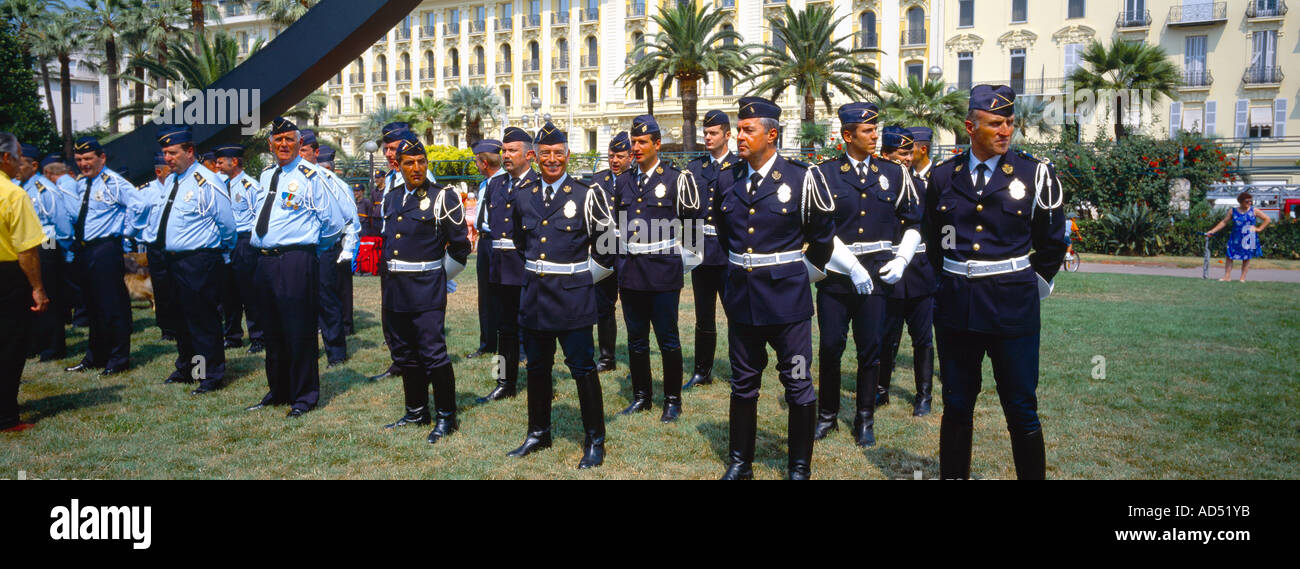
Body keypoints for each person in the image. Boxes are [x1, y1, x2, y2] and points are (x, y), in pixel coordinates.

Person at [923, 85, 1066, 479]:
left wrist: (1024, 286)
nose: (1006, 131)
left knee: (1021, 407)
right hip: (956, 309)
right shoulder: (942, 177)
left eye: (1009, 123)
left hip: (1012, 310)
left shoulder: (1034, 174)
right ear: (971, 126)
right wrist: (947, 285)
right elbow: (933, 242)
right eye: (995, 124)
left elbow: (1052, 244)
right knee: (957, 406)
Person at [712, 97, 835, 480]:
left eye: (749, 130)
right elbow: (723, 233)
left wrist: (800, 279)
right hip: (744, 305)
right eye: (739, 129)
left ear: (772, 134)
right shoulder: (727, 178)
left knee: (797, 383)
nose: (740, 136)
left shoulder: (801, 179)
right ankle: (740, 463)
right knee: (743, 385)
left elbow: (823, 241)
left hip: (788, 309)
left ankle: (799, 468)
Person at [504, 121, 615, 469]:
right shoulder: (522, 195)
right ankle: (538, 433)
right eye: (546, 154)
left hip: (573, 299)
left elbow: (608, 246)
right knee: (537, 368)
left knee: (582, 368)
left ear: (568, 155)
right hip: (536, 297)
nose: (553, 160)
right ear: (535, 158)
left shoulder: (586, 194)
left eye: (559, 154)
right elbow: (522, 244)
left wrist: (581, 280)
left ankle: (595, 441)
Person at [812, 108, 921, 448]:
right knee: (831, 347)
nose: (876, 136)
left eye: (876, 130)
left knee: (871, 348)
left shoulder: (894, 174)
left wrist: (903, 257)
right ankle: (827, 415)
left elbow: (915, 222)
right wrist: (850, 266)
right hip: (836, 276)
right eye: (868, 130)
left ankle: (864, 418)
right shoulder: (825, 174)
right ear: (847, 136)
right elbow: (818, 231)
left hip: (877, 274)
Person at [245, 117, 347, 418]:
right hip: (264, 259)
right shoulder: (266, 176)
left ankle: (304, 396)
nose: (284, 145)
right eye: (278, 141)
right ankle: (278, 391)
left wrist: (311, 249)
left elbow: (333, 224)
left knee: (299, 329)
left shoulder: (312, 177)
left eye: (290, 140)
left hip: (295, 260)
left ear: (300, 144)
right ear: (270, 145)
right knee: (273, 331)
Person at [131, 125, 237, 394]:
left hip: (198, 261)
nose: (167, 158)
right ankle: (186, 367)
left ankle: (208, 374)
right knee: (179, 318)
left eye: (172, 153)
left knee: (201, 319)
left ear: (190, 152)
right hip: (170, 261)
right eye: (164, 153)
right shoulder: (174, 181)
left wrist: (220, 252)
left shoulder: (207, 181)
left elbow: (227, 224)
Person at [379, 137, 471, 443]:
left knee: (433, 353)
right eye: (409, 163)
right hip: (395, 289)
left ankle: (447, 417)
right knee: (404, 352)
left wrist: (439, 279)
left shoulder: (442, 197)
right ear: (398, 165)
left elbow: (460, 248)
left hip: (426, 288)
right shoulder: (390, 198)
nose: (416, 168)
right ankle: (416, 410)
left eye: (421, 162)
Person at [613, 114, 701, 422]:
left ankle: (673, 400)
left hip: (663, 272)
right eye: (633, 142)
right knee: (636, 339)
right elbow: (617, 226)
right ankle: (642, 397)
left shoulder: (675, 179)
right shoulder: (623, 180)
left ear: (657, 144)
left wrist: (679, 263)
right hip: (631, 272)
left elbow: (692, 229)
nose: (636, 147)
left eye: (642, 142)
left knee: (667, 339)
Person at [876, 126, 937, 417]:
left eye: (910, 153)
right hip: (889, 272)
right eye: (901, 154)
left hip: (920, 272)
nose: (907, 159)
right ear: (885, 155)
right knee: (886, 337)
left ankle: (924, 395)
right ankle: (880, 389)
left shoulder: (925, 187)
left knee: (923, 338)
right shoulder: (877, 187)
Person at [66, 137, 139, 376]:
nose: (83, 164)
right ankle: (94, 356)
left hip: (105, 248)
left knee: (112, 305)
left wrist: (125, 232)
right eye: (78, 160)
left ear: (102, 157)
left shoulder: (114, 183)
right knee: (92, 306)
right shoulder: (81, 183)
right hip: (85, 249)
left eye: (88, 158)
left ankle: (118, 358)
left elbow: (138, 205)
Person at [475, 128, 537, 403]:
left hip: (527, 267)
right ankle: (503, 381)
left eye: (513, 150)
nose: (507, 155)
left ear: (528, 154)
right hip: (500, 267)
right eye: (504, 150)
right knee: (503, 330)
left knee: (535, 329)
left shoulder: (538, 183)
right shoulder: (495, 185)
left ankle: (538, 378)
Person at [0, 132, 51, 432]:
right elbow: (27, 250)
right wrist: (38, 287)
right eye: (18, 156)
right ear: (6, 158)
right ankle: (6, 417)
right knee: (9, 345)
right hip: (7, 277)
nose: (21, 163)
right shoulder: (13, 194)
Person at [684, 110, 738, 389]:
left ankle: (740, 370)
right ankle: (702, 371)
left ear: (728, 135)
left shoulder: (740, 167)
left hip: (729, 253)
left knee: (735, 315)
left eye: (713, 133)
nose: (707, 137)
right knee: (704, 315)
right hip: (702, 252)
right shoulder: (695, 169)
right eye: (705, 133)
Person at [298, 130, 360, 365]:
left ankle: (335, 352)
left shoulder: (333, 182)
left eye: (304, 150)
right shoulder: (286, 179)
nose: (300, 154)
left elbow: (350, 219)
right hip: (297, 250)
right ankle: (306, 351)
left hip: (323, 248)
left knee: (327, 301)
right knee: (300, 302)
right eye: (298, 149)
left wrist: (346, 250)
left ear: (315, 152)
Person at [214, 144, 265, 353]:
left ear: (233, 162)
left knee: (249, 292)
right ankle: (232, 335)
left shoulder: (249, 185)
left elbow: (258, 216)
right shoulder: (220, 184)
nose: (216, 166)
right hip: (225, 243)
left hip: (244, 242)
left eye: (220, 162)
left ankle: (258, 337)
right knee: (228, 292)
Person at [23, 150, 73, 362]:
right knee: (30, 298)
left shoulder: (44, 189)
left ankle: (53, 347)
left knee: (49, 296)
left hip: (46, 245)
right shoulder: (21, 187)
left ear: (34, 166)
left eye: (21, 163)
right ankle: (35, 343)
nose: (17, 167)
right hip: (28, 247)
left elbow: (62, 222)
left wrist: (58, 246)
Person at [589, 131, 631, 373]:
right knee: (603, 306)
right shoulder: (597, 180)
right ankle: (607, 358)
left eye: (621, 156)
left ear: (630, 157)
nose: (615, 161)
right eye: (611, 156)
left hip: (628, 251)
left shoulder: (636, 180)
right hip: (603, 250)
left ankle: (638, 349)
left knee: (633, 306)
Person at [468, 138, 505, 362]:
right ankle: (488, 343)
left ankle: (511, 345)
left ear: (483, 162)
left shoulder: (503, 182)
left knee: (504, 296)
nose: (475, 165)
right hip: (484, 242)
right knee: (486, 296)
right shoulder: (484, 184)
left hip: (499, 243)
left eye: (476, 161)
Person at [317, 145, 356, 336]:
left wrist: (348, 246)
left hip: (341, 239)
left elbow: (352, 219)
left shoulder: (342, 186)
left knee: (342, 286)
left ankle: (346, 324)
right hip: (321, 241)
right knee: (325, 286)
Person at [1206, 192, 1271, 282]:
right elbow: (1224, 222)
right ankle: (1227, 277)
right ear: (1240, 202)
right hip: (1235, 237)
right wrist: (1212, 231)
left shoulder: (1254, 210)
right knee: (1229, 256)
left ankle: (1242, 278)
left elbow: (1267, 219)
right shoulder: (1233, 211)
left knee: (1246, 258)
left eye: (1250, 201)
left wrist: (1259, 229)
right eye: (1247, 201)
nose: (1249, 203)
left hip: (1249, 237)